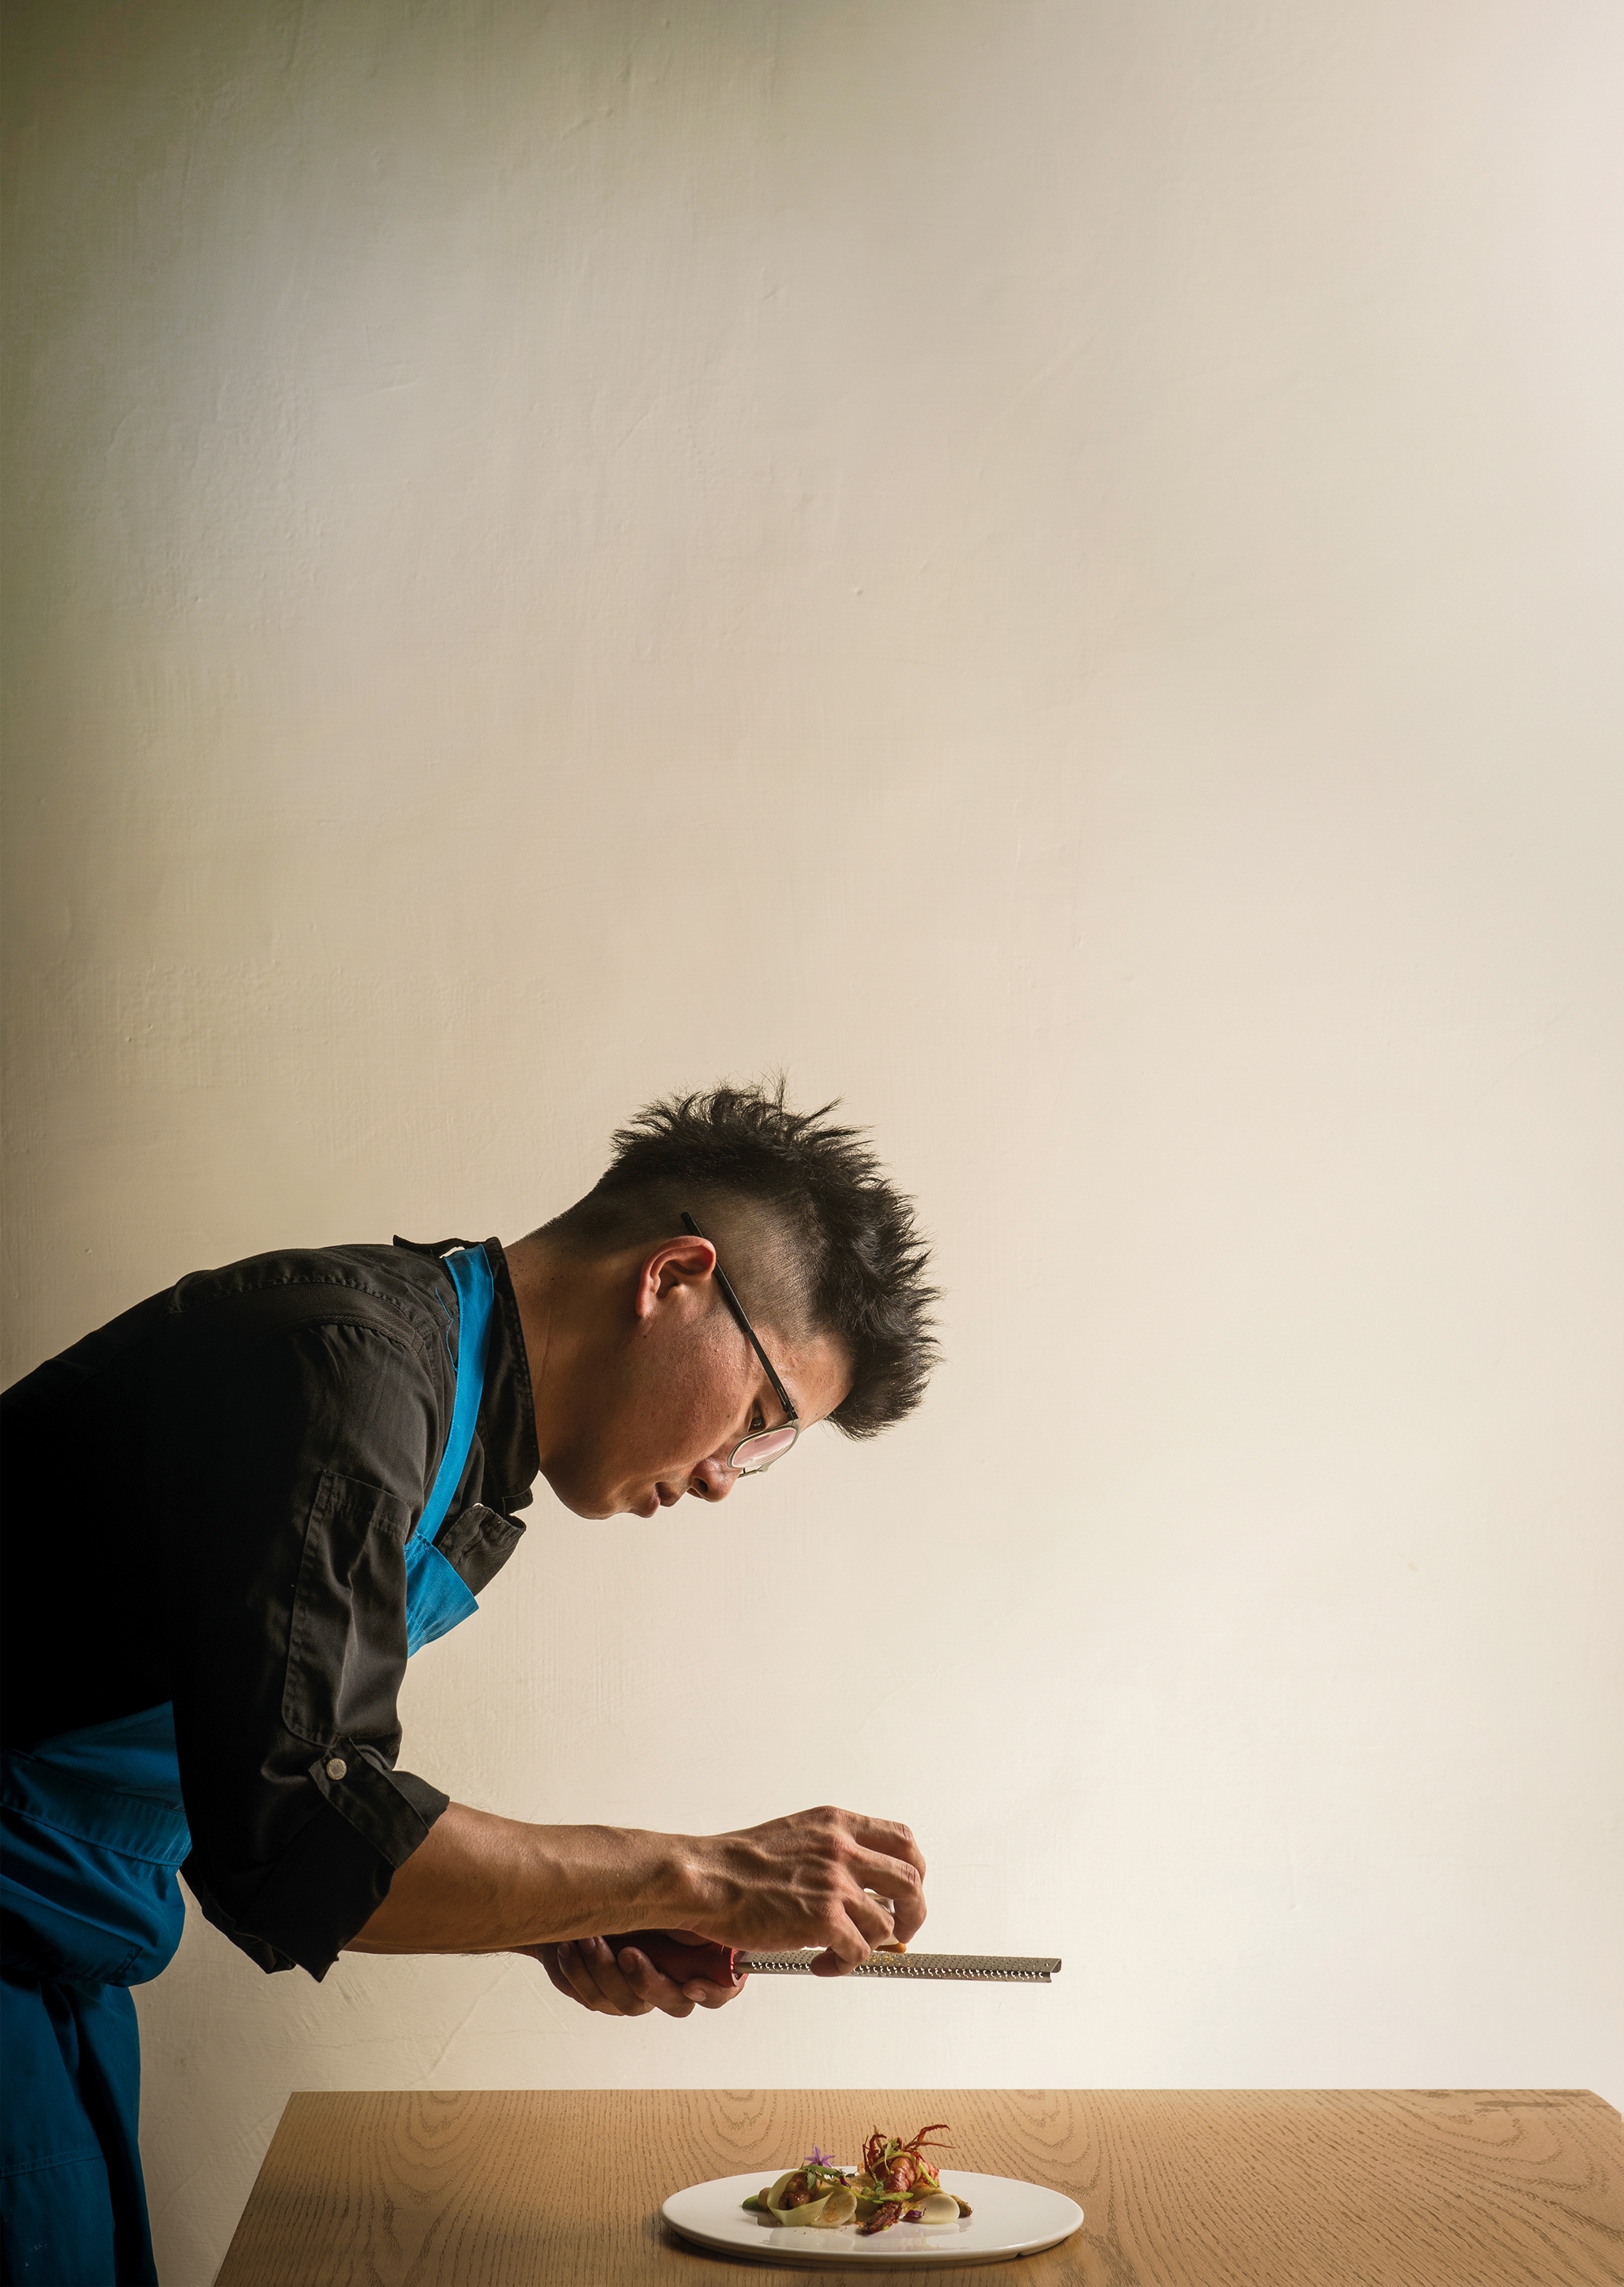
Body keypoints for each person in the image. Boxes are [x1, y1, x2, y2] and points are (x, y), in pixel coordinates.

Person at [0, 1081, 939, 2285]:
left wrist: (554, 1914)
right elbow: (296, 1833)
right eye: (760, 1419)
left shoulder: (443, 1410)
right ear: (672, 1278)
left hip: (63, 1958)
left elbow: (264, 1787)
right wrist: (701, 1872)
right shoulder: (350, 1376)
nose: (725, 1477)